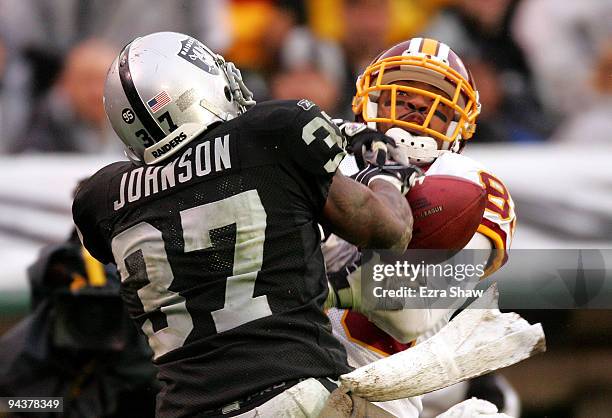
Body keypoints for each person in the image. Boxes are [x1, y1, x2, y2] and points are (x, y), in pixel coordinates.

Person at [72, 31, 421, 417]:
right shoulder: (271, 134)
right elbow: (390, 231)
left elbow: (191, 206)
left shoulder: (104, 198)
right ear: (195, 85)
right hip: (294, 394)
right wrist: (387, 174)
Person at [323, 37, 517, 417]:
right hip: (278, 370)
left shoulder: (468, 187)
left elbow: (414, 313)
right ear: (369, 99)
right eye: (403, 93)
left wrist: (325, 267)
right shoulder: (324, 153)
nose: (417, 104)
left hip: (372, 397)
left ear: (461, 124)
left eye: (437, 101)